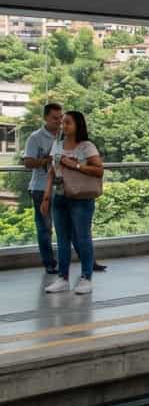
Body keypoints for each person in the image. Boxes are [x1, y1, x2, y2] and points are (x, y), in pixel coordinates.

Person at [41, 110, 102, 295]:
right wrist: (46, 195)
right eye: (63, 123)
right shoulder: (57, 145)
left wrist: (74, 164)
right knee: (62, 239)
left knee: (83, 237)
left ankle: (86, 277)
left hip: (81, 198)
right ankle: (63, 277)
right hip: (60, 196)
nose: (64, 126)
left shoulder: (86, 147)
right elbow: (52, 171)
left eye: (68, 122)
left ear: (78, 125)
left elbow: (99, 170)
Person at [24, 102, 63, 276]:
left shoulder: (65, 136)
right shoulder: (35, 137)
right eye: (55, 118)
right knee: (45, 228)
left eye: (61, 117)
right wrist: (45, 160)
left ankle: (79, 259)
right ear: (46, 118)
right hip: (40, 188)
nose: (59, 121)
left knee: (68, 225)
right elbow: (28, 162)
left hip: (63, 187)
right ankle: (49, 263)